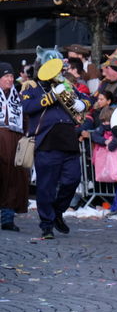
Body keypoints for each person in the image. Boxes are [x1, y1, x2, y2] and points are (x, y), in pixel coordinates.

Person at [21, 52, 90, 239]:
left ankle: (57, 212)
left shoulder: (65, 85)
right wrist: (51, 97)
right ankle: (47, 225)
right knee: (46, 187)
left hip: (68, 141)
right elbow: (27, 107)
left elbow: (87, 99)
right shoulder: (31, 86)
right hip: (47, 142)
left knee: (72, 180)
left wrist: (81, 104)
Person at [0, 62, 29, 231]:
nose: (10, 79)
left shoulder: (17, 97)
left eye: (11, 76)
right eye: (6, 76)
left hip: (14, 140)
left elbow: (25, 119)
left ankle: (7, 219)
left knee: (13, 179)